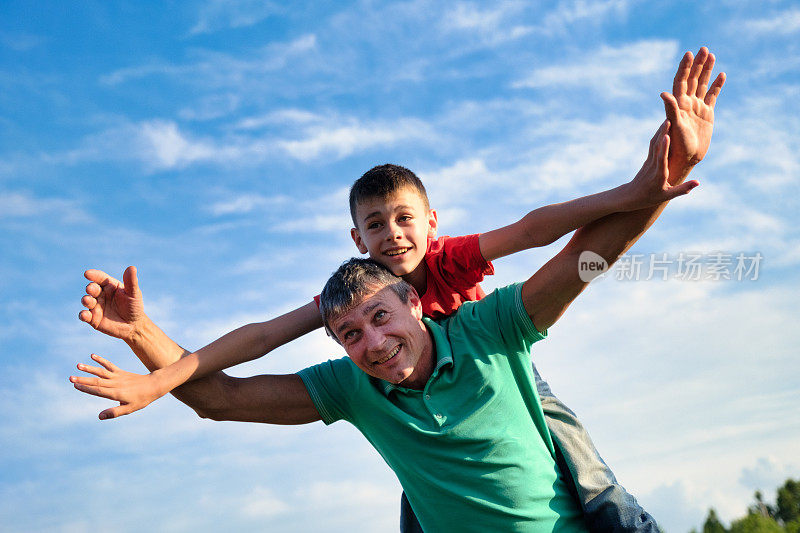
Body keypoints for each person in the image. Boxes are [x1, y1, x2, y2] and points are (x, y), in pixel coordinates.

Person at [72, 48, 725, 531]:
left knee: (591, 479)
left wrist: (653, 186)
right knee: (419, 503)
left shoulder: (485, 318)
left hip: (507, 377)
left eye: (380, 318)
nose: (373, 340)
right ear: (356, 238)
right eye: (351, 333)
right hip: (424, 454)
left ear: (414, 298)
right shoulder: (354, 376)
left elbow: (572, 249)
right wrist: (145, 342)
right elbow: (239, 368)